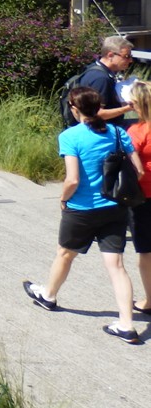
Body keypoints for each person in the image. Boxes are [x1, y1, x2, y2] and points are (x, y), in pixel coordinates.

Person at [23, 86, 144, 344]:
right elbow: (138, 170)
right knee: (117, 266)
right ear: (99, 107)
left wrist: (63, 198)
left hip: (82, 209)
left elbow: (73, 179)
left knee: (65, 254)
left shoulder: (70, 136)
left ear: (74, 108)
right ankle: (126, 325)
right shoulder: (118, 133)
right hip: (114, 208)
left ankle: (48, 296)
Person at [123, 80, 151, 317]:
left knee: (146, 251)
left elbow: (132, 166)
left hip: (144, 196)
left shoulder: (137, 131)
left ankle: (149, 300)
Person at [72, 35, 135, 126]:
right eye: (127, 56)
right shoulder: (101, 78)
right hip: (103, 129)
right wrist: (129, 108)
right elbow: (97, 114)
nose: (130, 60)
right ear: (110, 55)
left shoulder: (94, 68)